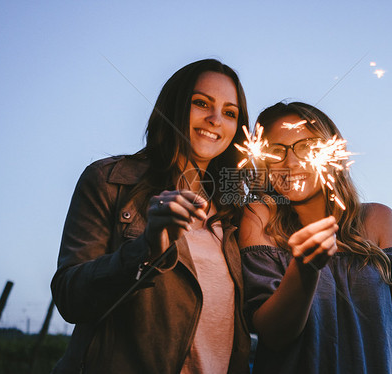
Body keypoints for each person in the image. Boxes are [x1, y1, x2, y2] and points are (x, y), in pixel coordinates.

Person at [51, 59, 251, 374]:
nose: (215, 120)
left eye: (229, 113)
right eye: (201, 103)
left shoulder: (234, 212)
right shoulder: (109, 181)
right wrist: (146, 249)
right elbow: (68, 297)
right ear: (173, 107)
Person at [239, 102, 392, 374]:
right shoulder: (260, 219)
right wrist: (304, 269)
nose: (291, 162)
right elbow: (273, 335)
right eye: (276, 151)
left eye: (307, 146)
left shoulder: (379, 219)